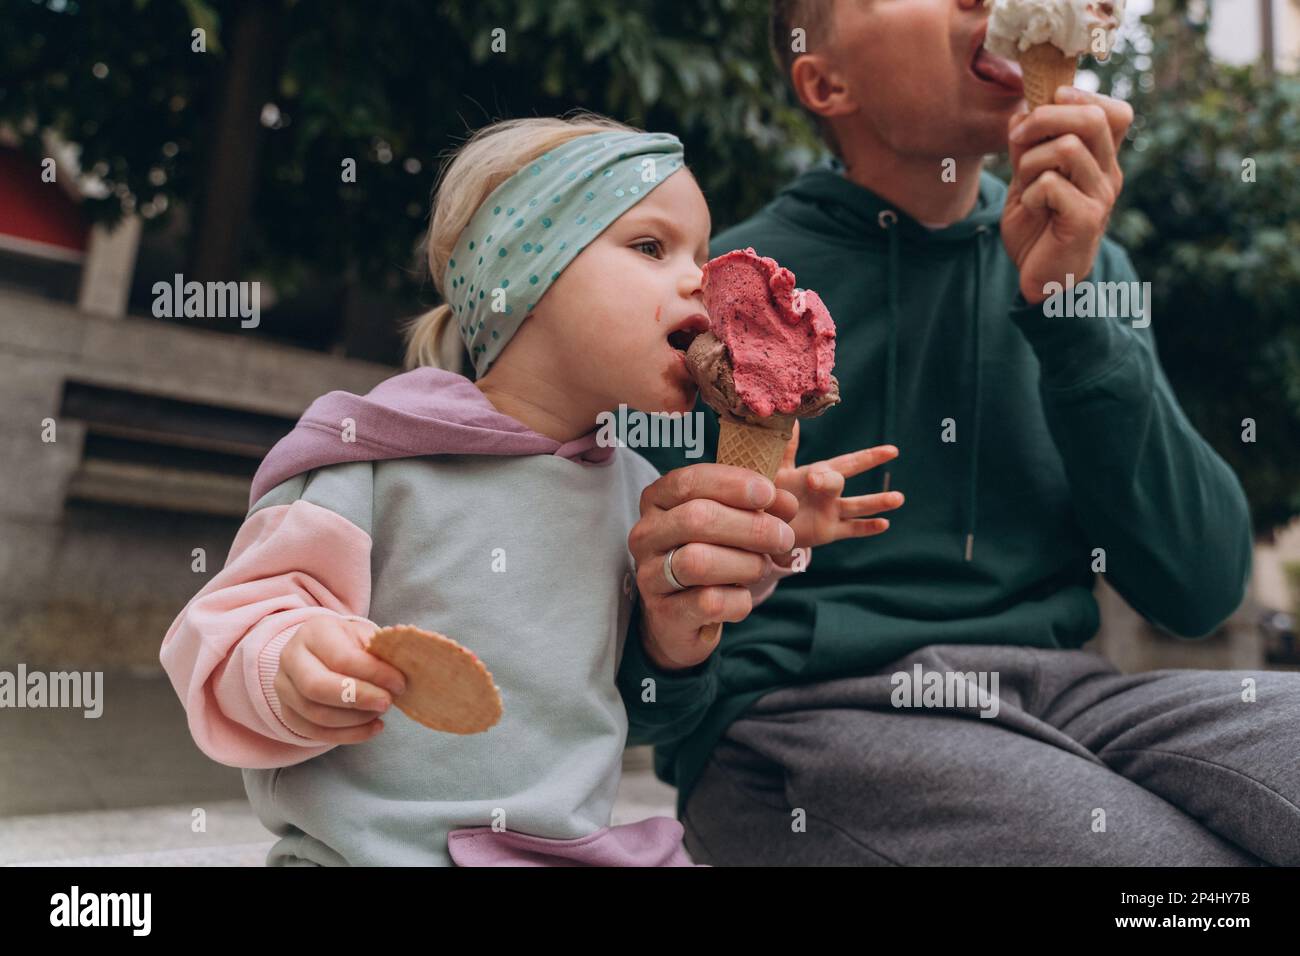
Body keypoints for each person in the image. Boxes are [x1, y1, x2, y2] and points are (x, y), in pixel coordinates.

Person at [625, 0, 1300, 865]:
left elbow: (1199, 588)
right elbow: (642, 679)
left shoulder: (1086, 260)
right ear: (824, 81)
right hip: (803, 716)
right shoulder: (726, 297)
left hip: (1073, 698)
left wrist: (1066, 305)